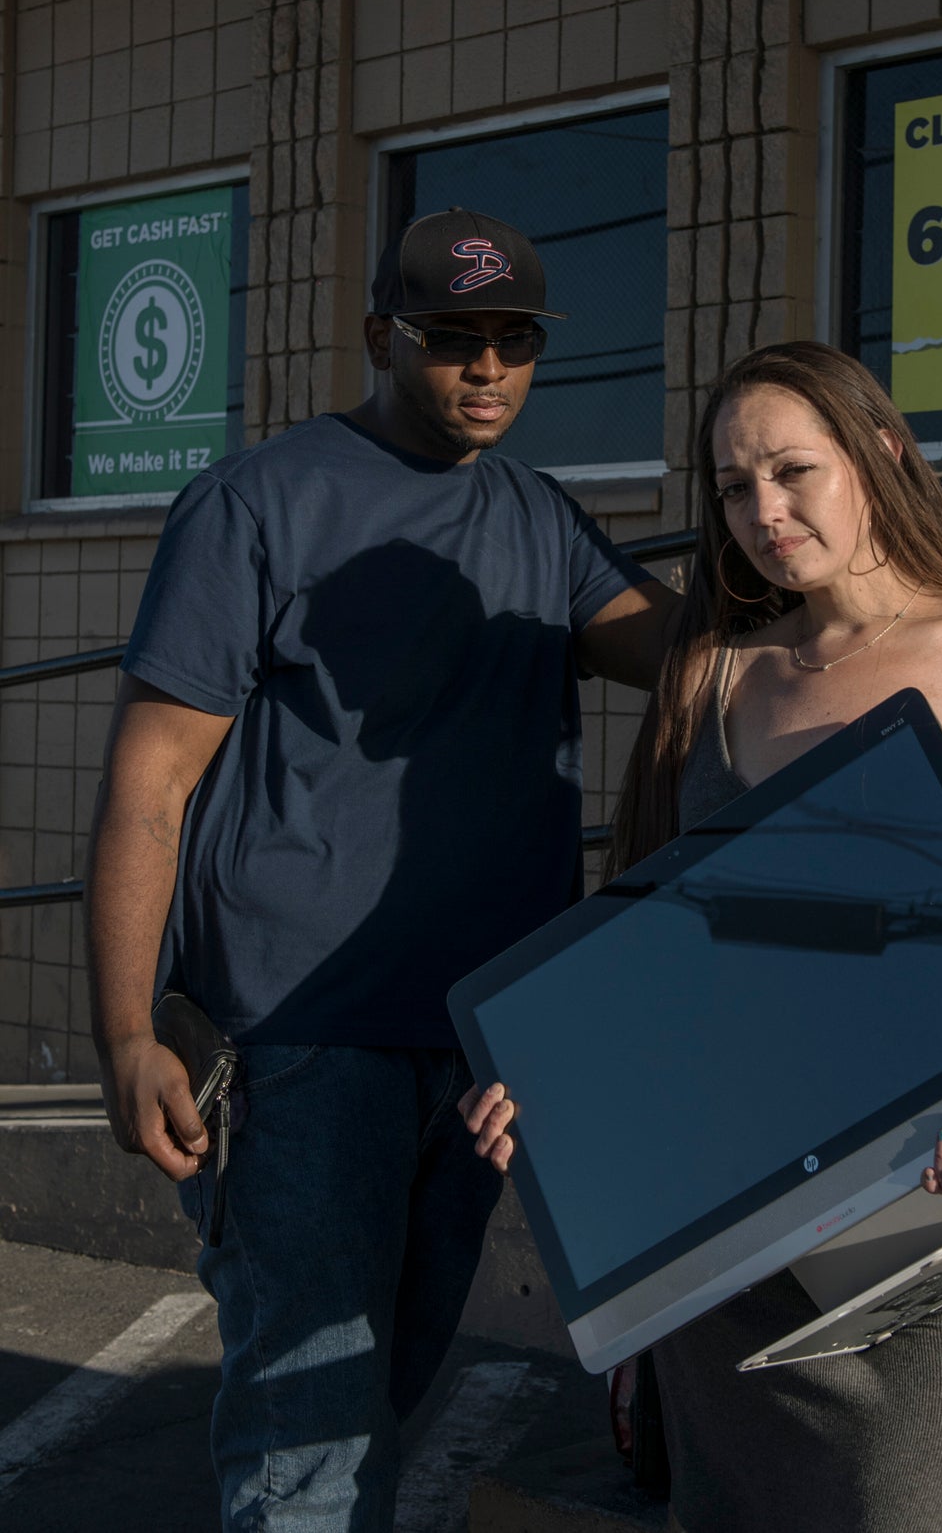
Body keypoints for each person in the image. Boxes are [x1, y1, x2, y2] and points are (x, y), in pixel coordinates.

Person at [464, 340, 942, 1533]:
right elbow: (654, 961)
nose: (764, 513)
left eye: (793, 471)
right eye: (734, 487)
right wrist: (551, 1087)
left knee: (921, 1510)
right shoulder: (715, 677)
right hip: (739, 1221)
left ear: (881, 454)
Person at [85, 207, 680, 1533]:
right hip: (303, 1040)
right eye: (450, 337)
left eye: (512, 339)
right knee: (310, 1427)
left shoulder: (540, 518)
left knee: (387, 1379)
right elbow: (149, 782)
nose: (485, 367)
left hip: (481, 1040)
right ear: (380, 336)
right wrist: (126, 1027)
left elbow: (690, 656)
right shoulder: (258, 501)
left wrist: (873, 586)